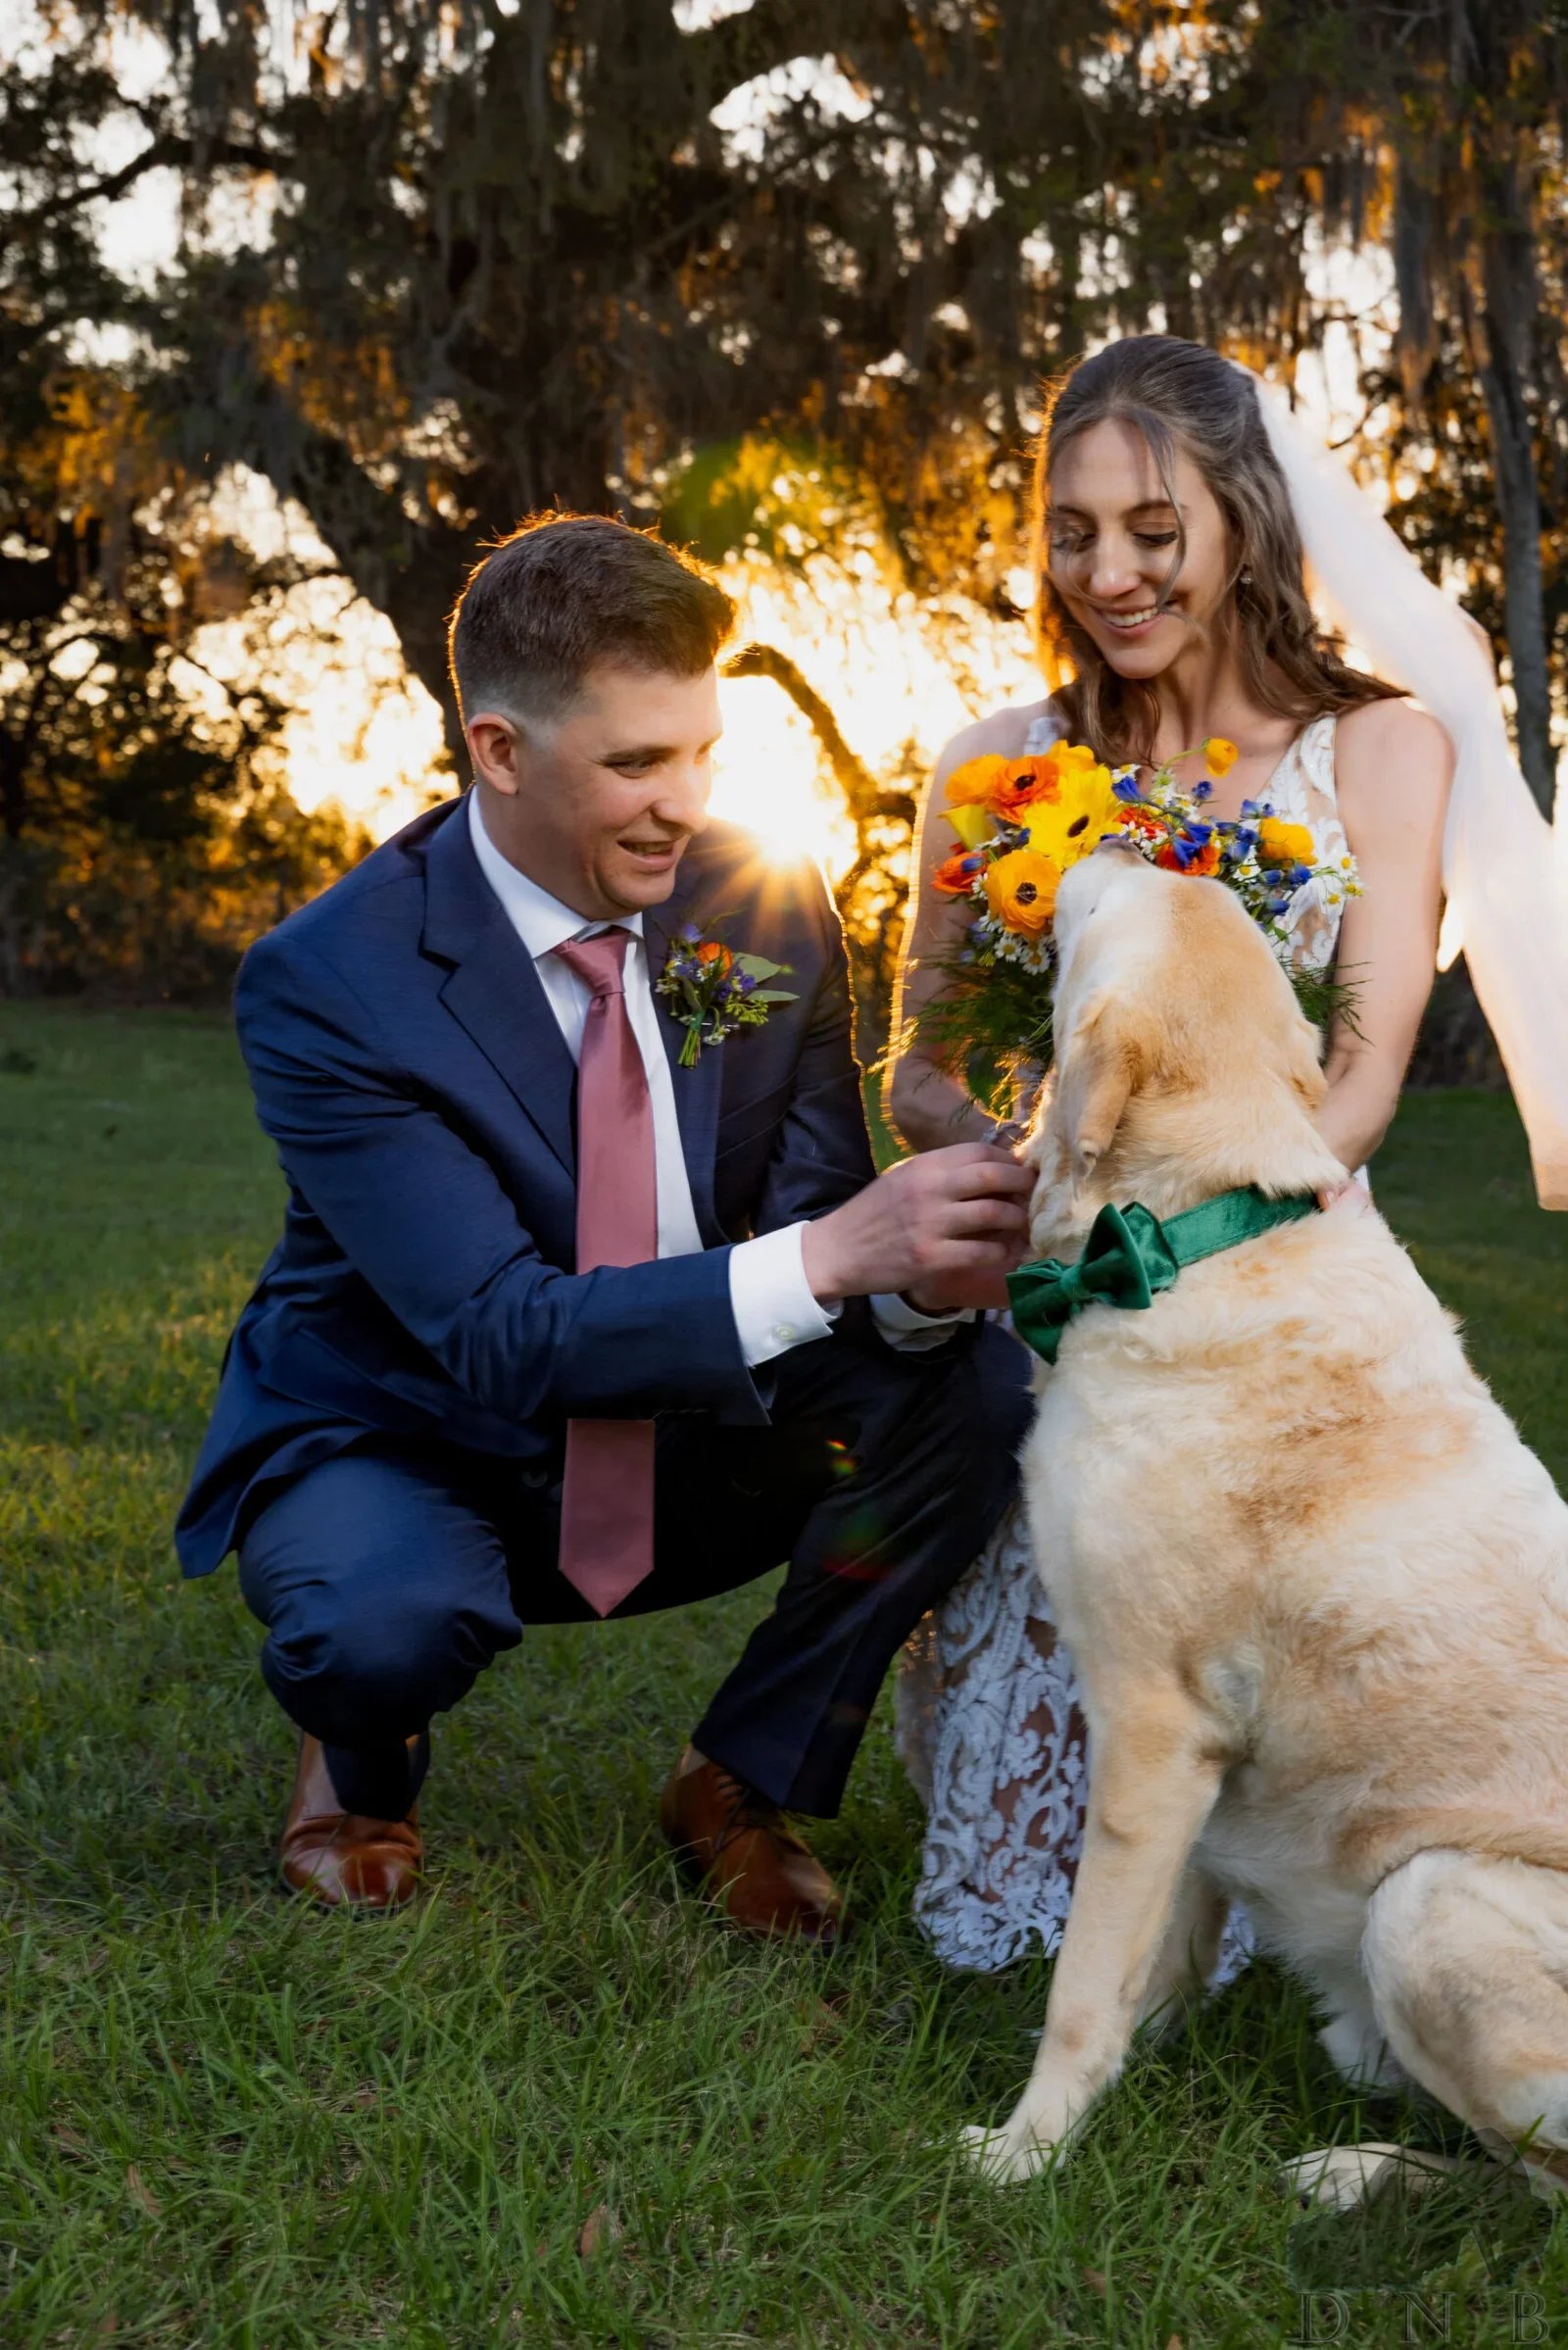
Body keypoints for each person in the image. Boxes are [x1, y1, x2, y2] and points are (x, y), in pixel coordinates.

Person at [176, 512, 1037, 1937]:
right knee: (377, 1622)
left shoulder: (763, 899)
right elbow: (502, 1333)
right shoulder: (331, 980)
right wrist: (835, 1256)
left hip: (690, 1424)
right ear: (500, 751)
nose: (685, 799)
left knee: (978, 1390)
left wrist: (930, 1279)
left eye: (703, 749)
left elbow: (817, 1218)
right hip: (419, 1424)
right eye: (636, 762)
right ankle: (361, 1763)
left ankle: (737, 1778)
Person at [888, 334, 1456, 1971]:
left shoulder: (1384, 752)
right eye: (1072, 530)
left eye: (1152, 527)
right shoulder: (999, 762)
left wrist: (1178, 1227)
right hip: (1060, 1277)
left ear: (1247, 518)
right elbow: (919, 1059)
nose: (1108, 572)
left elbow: (1362, 1073)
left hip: (1281, 1268)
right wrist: (1030, 1162)